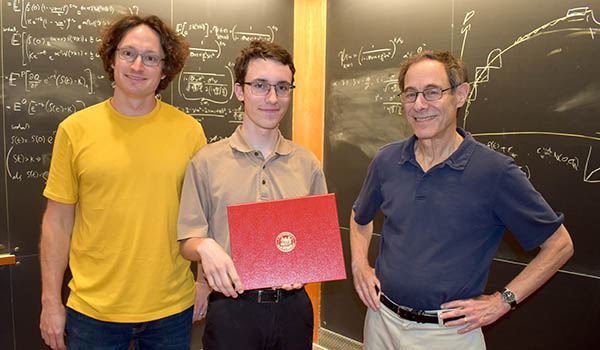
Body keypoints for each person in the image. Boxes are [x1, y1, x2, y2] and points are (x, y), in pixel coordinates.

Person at [350, 50, 574, 349]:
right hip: (381, 323)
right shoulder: (386, 160)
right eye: (410, 94)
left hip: (447, 335)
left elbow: (560, 245)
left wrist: (503, 301)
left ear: (461, 95)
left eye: (432, 92)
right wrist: (359, 266)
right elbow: (359, 218)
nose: (419, 105)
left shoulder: (495, 172)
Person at [39, 15, 207, 350]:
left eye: (151, 58)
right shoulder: (75, 130)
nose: (137, 65)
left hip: (170, 308)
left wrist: (203, 283)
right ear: (112, 58)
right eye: (128, 53)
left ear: (164, 69)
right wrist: (50, 302)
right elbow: (57, 222)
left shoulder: (190, 132)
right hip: (92, 311)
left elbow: (205, 215)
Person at [177, 40, 327, 350]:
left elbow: (318, 243)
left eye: (282, 87)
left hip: (293, 311)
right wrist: (204, 246)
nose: (272, 98)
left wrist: (307, 266)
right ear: (239, 90)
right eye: (260, 85)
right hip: (232, 311)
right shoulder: (206, 162)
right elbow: (187, 242)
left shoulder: (307, 162)